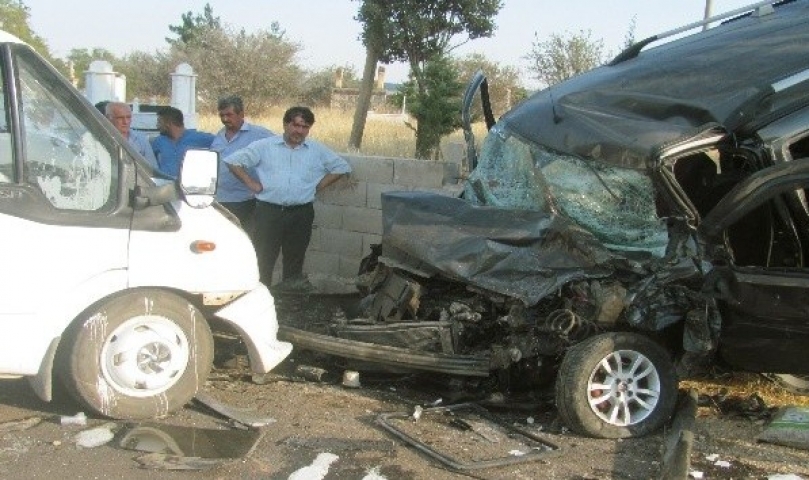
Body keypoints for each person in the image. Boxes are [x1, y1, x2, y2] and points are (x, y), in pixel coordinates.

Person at [225, 106, 351, 288]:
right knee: (263, 259)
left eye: (305, 127)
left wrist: (317, 187)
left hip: (301, 214)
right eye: (295, 125)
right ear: (285, 124)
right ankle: (263, 301)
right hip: (269, 213)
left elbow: (341, 167)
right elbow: (233, 161)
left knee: (295, 261)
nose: (299, 131)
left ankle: (290, 303)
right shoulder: (265, 146)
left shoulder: (316, 150)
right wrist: (251, 183)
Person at [211, 95, 273, 237]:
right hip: (220, 199)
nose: (225, 119)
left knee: (243, 238)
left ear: (241, 114)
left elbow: (281, 149)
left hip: (245, 200)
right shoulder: (219, 136)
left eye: (229, 115)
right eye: (222, 115)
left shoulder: (259, 134)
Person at [152, 106, 215, 178]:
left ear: (168, 123)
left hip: (190, 186)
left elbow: (222, 145)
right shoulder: (158, 141)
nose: (157, 126)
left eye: (159, 122)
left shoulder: (200, 138)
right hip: (165, 186)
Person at [104, 101, 158, 170]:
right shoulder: (100, 137)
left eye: (128, 117)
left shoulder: (141, 138)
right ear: (108, 118)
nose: (125, 122)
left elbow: (153, 168)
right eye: (120, 118)